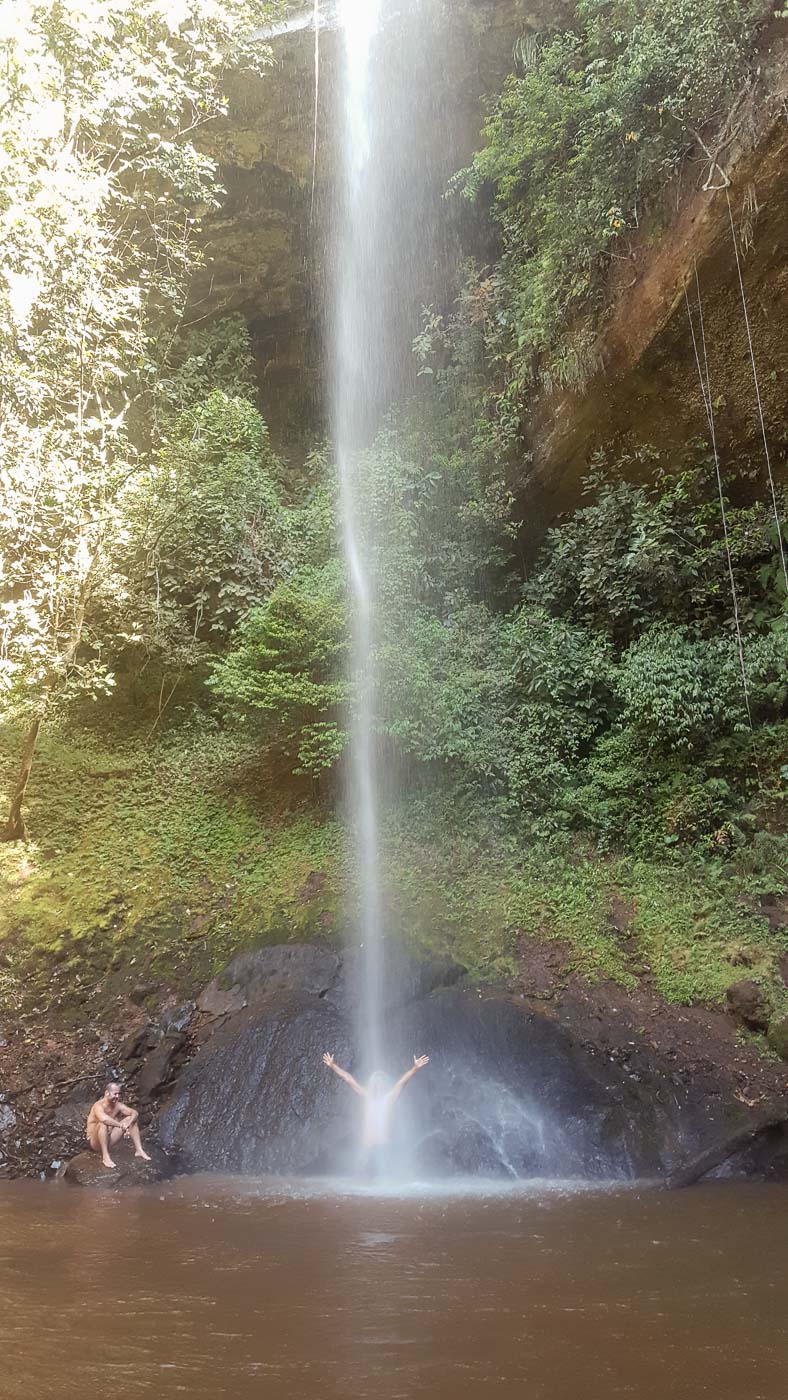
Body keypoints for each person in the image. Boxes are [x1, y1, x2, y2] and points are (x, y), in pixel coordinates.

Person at [322, 1052, 429, 1174]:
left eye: (381, 1081)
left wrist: (415, 1068)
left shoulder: (389, 1098)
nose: (378, 1084)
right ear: (372, 1084)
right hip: (368, 1146)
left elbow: (402, 1082)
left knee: (385, 1180)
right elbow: (348, 1079)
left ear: (385, 1084)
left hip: (384, 1146)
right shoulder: (367, 1096)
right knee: (362, 1179)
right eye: (376, 1082)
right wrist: (332, 1065)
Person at [86, 1083, 151, 1170]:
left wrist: (128, 1124)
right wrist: (121, 1125)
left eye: (119, 1094)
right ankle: (105, 1157)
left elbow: (135, 1113)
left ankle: (139, 1150)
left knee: (131, 1119)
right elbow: (104, 1119)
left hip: (109, 1138)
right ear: (107, 1093)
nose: (117, 1096)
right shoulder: (98, 1105)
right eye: (115, 1094)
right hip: (95, 1142)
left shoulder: (118, 1105)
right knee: (102, 1124)